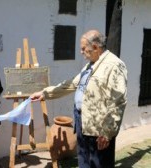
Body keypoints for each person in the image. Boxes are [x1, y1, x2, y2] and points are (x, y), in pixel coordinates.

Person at [30, 30, 127, 168]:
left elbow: (118, 101)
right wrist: (44, 93)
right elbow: (70, 85)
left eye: (83, 49)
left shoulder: (114, 65)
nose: (81, 52)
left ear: (95, 47)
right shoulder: (91, 64)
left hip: (99, 127)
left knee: (99, 164)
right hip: (82, 121)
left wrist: (107, 132)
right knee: (84, 162)